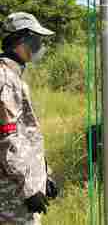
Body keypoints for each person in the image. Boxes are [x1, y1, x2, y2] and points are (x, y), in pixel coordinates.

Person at [0, 12, 57, 224]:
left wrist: (43, 175)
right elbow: (8, 139)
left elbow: (27, 135)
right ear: (23, 41)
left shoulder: (13, 75)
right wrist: (29, 188)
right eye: (37, 40)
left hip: (19, 185)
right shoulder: (6, 78)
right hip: (12, 192)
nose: (40, 46)